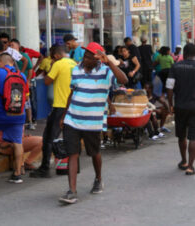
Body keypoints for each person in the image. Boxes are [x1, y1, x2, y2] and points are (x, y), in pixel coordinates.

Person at [59, 42, 128, 204]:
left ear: (98, 59)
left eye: (90, 56)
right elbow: (72, 93)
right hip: (73, 119)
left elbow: (123, 80)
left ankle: (98, 178)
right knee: (73, 154)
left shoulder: (106, 72)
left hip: (93, 122)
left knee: (94, 153)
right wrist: (64, 115)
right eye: (85, 55)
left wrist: (109, 62)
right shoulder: (76, 70)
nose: (86, 59)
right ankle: (72, 191)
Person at [30, 45, 77, 178]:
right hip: (72, 106)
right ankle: (68, 164)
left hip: (60, 106)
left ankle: (45, 168)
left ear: (56, 55)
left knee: (49, 137)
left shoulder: (58, 64)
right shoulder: (73, 63)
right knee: (68, 136)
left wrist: (51, 66)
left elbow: (46, 81)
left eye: (51, 56)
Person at [0, 53, 29, 183]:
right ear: (12, 62)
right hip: (18, 115)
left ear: (1, 62)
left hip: (0, 115)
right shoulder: (22, 75)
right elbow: (26, 96)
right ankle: (17, 174)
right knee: (18, 142)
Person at [167, 43, 195, 175]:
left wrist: (170, 104)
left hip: (180, 106)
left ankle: (183, 161)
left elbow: (169, 86)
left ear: (184, 53)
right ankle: (190, 166)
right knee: (193, 138)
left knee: (181, 135)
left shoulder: (175, 66)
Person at [10, 39, 35, 130]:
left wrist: (28, 80)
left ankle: (30, 121)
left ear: (18, 46)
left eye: (12, 45)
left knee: (26, 102)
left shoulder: (24, 56)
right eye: (10, 45)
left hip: (23, 83)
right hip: (13, 83)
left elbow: (30, 69)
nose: (11, 47)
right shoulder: (9, 56)